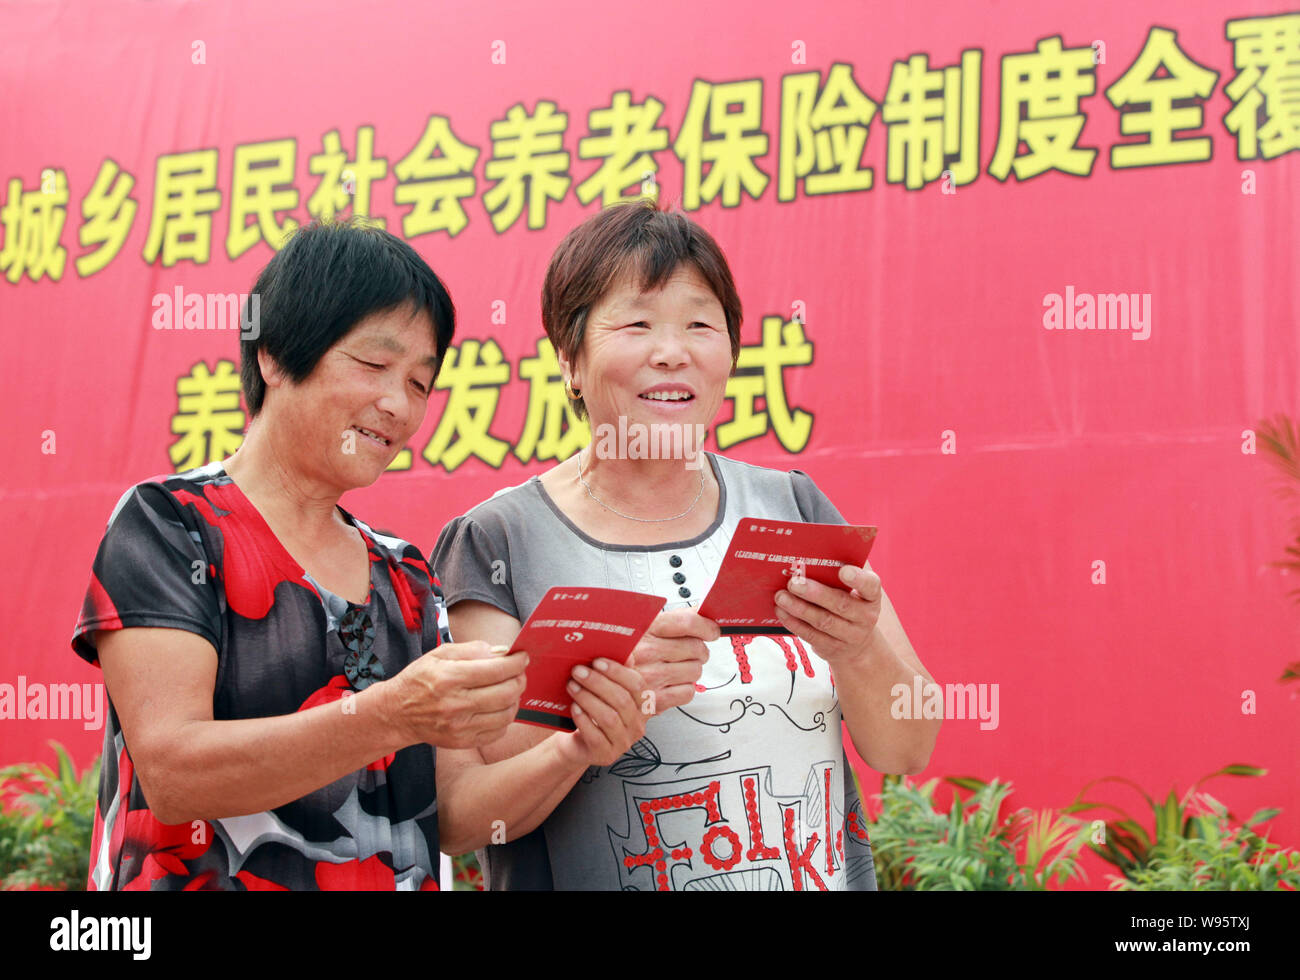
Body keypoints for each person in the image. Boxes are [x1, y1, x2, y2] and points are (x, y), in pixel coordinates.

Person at [69, 218, 641, 890]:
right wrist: (391, 714)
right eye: (373, 365)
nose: (397, 405)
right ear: (275, 356)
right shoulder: (171, 524)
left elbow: (454, 819)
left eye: (421, 384)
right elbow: (172, 774)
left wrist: (576, 748)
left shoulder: (406, 576)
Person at [431, 200, 940, 890]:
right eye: (637, 323)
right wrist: (591, 721)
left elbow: (907, 744)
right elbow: (466, 813)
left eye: (701, 324)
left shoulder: (789, 505)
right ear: (569, 359)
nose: (673, 351)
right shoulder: (499, 539)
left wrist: (857, 648)